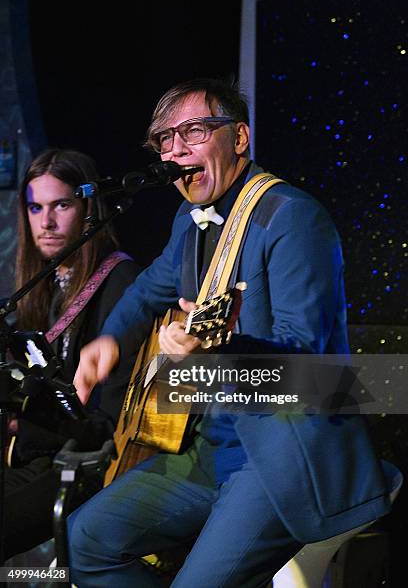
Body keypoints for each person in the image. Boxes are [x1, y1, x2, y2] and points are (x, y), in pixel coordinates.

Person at [68, 78, 397, 587]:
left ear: (239, 139)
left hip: (281, 452)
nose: (176, 150)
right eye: (165, 140)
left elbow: (309, 363)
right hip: (210, 448)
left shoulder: (292, 218)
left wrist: (220, 346)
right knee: (87, 540)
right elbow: (152, 286)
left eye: (194, 131)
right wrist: (109, 339)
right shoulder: (189, 218)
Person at [4, 148, 140, 560]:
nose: (45, 222)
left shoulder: (119, 280)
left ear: (88, 207)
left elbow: (110, 423)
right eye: (35, 207)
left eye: (61, 205)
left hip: (89, 464)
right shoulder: (43, 287)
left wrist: (24, 430)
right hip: (43, 454)